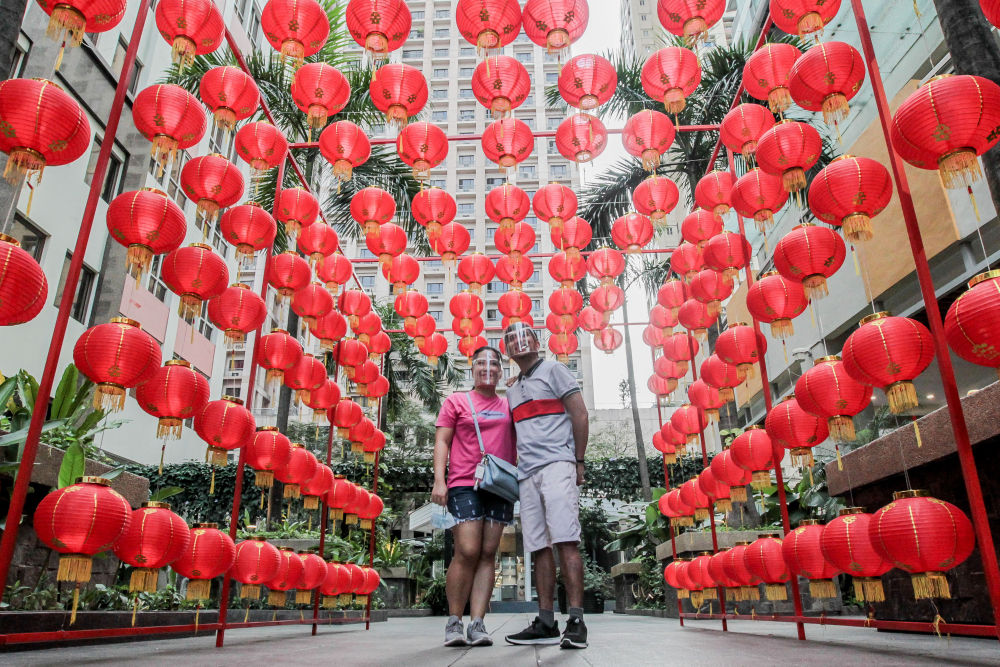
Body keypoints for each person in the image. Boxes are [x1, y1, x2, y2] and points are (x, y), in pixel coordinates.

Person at [501, 322, 590, 650]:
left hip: (557, 466)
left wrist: (578, 461)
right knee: (538, 547)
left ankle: (577, 621)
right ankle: (546, 621)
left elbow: (580, 415)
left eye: (524, 336)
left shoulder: (555, 370)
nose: (518, 342)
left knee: (566, 540)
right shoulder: (513, 388)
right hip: (527, 474)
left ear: (537, 342)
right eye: (511, 339)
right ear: (507, 350)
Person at [431, 345, 517, 648]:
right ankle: (454, 621)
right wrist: (439, 481)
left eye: (494, 364)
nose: (488, 368)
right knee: (467, 549)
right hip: (464, 483)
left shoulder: (509, 404)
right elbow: (442, 441)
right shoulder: (457, 401)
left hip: (501, 485)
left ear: (501, 371)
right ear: (473, 368)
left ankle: (478, 623)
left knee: (488, 553)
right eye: (482, 363)